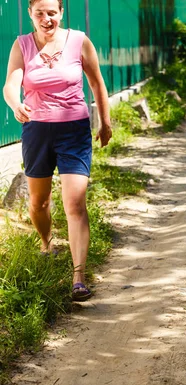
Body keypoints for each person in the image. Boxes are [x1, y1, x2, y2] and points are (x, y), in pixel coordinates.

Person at [3, 0, 112, 301]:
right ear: (30, 13)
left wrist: (104, 122)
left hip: (73, 130)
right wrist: (15, 104)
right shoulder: (22, 45)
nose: (46, 18)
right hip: (36, 131)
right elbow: (11, 84)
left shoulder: (79, 41)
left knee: (74, 204)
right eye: (40, 12)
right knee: (38, 203)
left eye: (52, 12)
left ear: (61, 12)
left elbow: (97, 83)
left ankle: (79, 276)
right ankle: (46, 241)